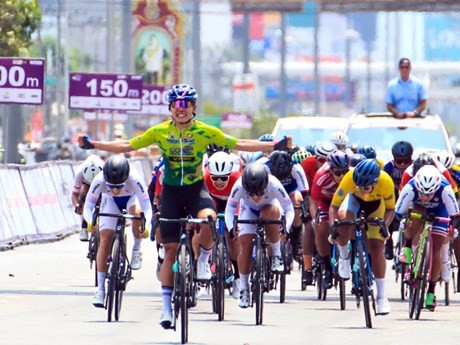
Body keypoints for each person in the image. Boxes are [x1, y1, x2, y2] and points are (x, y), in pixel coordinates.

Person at [77, 83, 291, 328]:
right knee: (169, 252)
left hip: (195, 191)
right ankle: (166, 308)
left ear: (193, 107)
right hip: (170, 194)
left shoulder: (204, 131)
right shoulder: (159, 132)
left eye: (186, 104)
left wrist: (274, 146)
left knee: (211, 219)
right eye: (177, 104)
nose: (181, 109)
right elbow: (127, 145)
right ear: (170, 107)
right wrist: (93, 144)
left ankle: (203, 262)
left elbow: (240, 143)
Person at [83, 155, 152, 307]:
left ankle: (136, 249)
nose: (115, 189)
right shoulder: (99, 179)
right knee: (105, 239)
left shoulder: (135, 178)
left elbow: (147, 208)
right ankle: (100, 290)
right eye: (111, 186)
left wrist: (146, 226)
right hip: (110, 203)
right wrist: (90, 221)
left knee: (136, 213)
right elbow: (87, 207)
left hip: (131, 200)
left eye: (119, 186)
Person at [329, 159, 395, 315]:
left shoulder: (386, 181)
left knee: (377, 248)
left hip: (377, 207)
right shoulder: (349, 177)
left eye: (366, 187)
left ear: (376, 181)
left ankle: (381, 298)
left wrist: (384, 226)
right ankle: (344, 258)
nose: (363, 190)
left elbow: (391, 209)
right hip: (354, 202)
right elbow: (334, 206)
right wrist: (333, 227)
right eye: (359, 186)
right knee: (343, 219)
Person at [224, 163, 295, 308]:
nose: (256, 197)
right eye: (251, 194)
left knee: (268, 213)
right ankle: (244, 287)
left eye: (260, 193)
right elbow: (229, 211)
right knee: (246, 246)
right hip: (248, 211)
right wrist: (232, 228)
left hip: (270, 208)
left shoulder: (274, 184)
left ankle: (276, 255)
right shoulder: (239, 185)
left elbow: (289, 209)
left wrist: (285, 228)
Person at [395, 165, 460, 311]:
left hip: (440, 210)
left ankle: (431, 290)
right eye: (422, 193)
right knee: (415, 215)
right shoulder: (410, 188)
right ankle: (408, 245)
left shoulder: (445, 188)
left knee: (436, 250)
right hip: (418, 208)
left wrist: (452, 227)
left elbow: (455, 216)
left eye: (429, 194)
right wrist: (403, 221)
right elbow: (398, 212)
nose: (425, 197)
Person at [203, 150, 242, 299]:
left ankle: (238, 276)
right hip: (212, 200)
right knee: (206, 221)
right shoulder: (204, 178)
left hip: (232, 202)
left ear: (230, 174)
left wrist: (234, 225)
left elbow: (238, 205)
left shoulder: (237, 179)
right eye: (215, 178)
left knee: (233, 236)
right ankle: (203, 264)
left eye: (224, 178)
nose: (219, 181)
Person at [310, 150, 350, 289]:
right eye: (338, 173)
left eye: (345, 171)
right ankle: (326, 266)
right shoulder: (321, 175)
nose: (342, 176)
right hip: (325, 202)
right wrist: (316, 219)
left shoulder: (351, 175)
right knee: (321, 227)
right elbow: (313, 202)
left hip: (343, 202)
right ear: (330, 170)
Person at [266, 150, 310, 262]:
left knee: (297, 200)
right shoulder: (265, 169)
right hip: (273, 193)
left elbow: (305, 193)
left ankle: (296, 235)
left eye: (285, 175)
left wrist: (306, 211)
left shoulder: (297, 168)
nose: (282, 177)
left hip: (291, 191)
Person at [382, 141, 414, 259]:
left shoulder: (415, 167)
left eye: (406, 160)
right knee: (389, 211)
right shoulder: (389, 167)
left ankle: (409, 245)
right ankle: (389, 243)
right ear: (393, 158)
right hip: (393, 194)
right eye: (399, 160)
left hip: (410, 194)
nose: (402, 164)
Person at [71, 154, 104, 241]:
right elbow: (74, 194)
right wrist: (77, 205)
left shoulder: (105, 170)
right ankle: (84, 227)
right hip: (86, 185)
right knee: (83, 192)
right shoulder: (79, 173)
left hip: (100, 183)